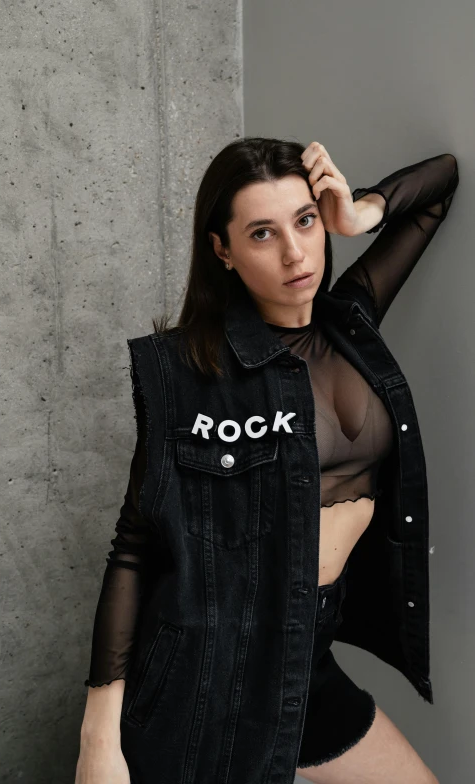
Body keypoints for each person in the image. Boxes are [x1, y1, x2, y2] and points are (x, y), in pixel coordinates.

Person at [75, 138, 459, 784]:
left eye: (304, 221)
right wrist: (97, 740)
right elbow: (134, 547)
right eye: (261, 233)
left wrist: (357, 213)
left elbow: (439, 185)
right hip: (210, 679)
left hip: (305, 664)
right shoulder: (188, 370)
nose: (294, 253)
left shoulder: (351, 319)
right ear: (221, 251)